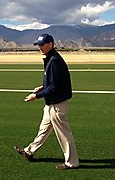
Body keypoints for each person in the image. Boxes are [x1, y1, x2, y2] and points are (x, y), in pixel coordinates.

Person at [14, 33, 79, 170]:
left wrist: (36, 96)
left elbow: (55, 87)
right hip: (51, 103)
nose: (40, 47)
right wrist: (43, 87)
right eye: (38, 45)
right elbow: (55, 82)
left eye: (42, 45)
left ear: (51, 44)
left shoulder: (54, 61)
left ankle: (72, 162)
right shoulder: (51, 59)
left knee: (64, 134)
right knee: (43, 130)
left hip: (57, 104)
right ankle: (29, 151)